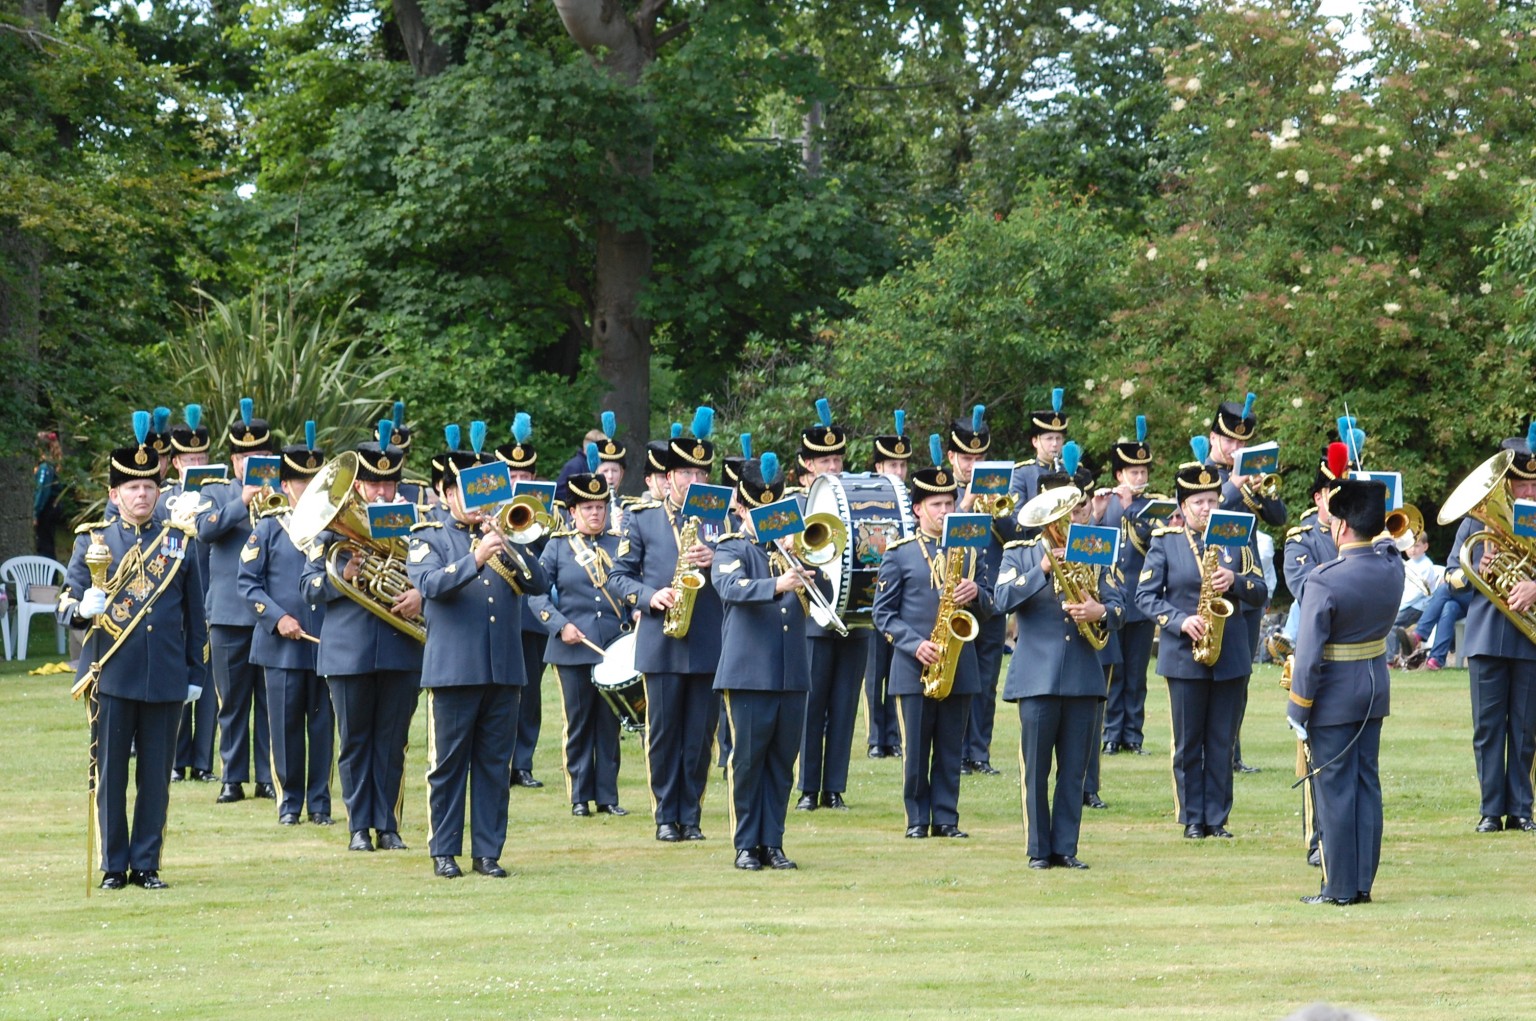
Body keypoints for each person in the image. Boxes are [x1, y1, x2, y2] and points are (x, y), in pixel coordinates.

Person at [59, 412, 207, 890]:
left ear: (158, 490)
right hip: (113, 674)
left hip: (164, 675)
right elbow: (65, 603)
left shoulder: (178, 543)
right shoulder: (92, 540)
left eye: (148, 487)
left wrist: (194, 674)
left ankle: (146, 864)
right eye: (131, 488)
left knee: (155, 781)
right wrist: (83, 606)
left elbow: (194, 614)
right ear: (114, 495)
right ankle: (112, 866)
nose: (142, 495)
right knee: (111, 779)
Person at [408, 428, 549, 879]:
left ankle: (488, 852)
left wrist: (507, 543)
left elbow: (539, 583)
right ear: (445, 493)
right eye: (462, 492)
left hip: (504, 669)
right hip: (453, 671)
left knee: (493, 765)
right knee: (447, 767)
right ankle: (444, 851)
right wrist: (477, 557)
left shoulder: (505, 532)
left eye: (480, 493)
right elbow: (430, 585)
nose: (472, 502)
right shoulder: (428, 536)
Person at [1135, 442, 1268, 839]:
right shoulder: (1165, 541)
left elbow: (1261, 589)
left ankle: (1217, 818)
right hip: (1184, 652)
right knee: (1189, 741)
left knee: (1222, 740)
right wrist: (1179, 621)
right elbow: (1145, 597)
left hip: (1229, 652)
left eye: (1212, 499)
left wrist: (1237, 582)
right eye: (1198, 502)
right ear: (1182, 505)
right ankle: (1192, 817)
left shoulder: (1237, 539)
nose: (1207, 508)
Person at [303, 423, 424, 853]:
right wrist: (342, 579)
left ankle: (388, 824)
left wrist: (419, 593)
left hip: (400, 648)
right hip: (348, 653)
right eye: (373, 484)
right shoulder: (331, 532)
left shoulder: (416, 527)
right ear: (357, 485)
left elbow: (434, 573)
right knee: (354, 742)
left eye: (388, 484)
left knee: (393, 742)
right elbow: (309, 589)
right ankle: (358, 826)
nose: (381, 493)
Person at [995, 467, 1124, 870]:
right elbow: (1000, 600)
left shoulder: (1095, 547)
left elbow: (1122, 604)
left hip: (1084, 674)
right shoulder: (1018, 552)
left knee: (1074, 770)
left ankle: (1066, 847)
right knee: (1035, 771)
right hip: (1036, 675)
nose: (1066, 521)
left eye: (1073, 511)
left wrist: (1099, 609)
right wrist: (1043, 571)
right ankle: (1038, 850)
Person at [608, 408, 725, 842]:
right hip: (661, 637)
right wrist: (650, 596)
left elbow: (739, 568)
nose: (693, 480)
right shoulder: (641, 518)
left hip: (707, 639)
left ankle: (690, 815)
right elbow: (618, 576)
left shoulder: (719, 518)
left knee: (699, 736)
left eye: (699, 472)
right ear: (668, 477)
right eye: (685, 473)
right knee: (663, 734)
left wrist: (719, 559)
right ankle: (664, 815)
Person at [872, 436, 994, 840]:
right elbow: (882, 614)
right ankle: (917, 818)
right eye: (937, 506)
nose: (945, 511)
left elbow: (994, 604)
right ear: (919, 508)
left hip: (959, 663)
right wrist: (914, 644)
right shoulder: (900, 552)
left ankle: (947, 817)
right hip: (915, 665)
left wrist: (977, 593)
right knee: (915, 752)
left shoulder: (972, 550)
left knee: (949, 747)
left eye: (949, 504)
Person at [1286, 474, 1401, 905]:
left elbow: (1310, 652)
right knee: (1366, 786)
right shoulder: (1391, 565)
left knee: (1334, 792)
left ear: (1342, 526)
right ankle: (1362, 884)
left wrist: (1298, 707)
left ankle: (1338, 888)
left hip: (1334, 695)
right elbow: (1389, 544)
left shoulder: (1325, 579)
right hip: (1374, 688)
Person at [713, 452, 811, 870]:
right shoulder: (731, 547)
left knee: (781, 763)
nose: (767, 519)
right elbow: (730, 587)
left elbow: (823, 592)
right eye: (759, 511)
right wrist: (778, 582)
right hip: (750, 671)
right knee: (748, 762)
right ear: (741, 507)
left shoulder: (794, 548)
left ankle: (773, 841)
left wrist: (802, 561)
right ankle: (745, 843)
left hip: (791, 672)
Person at [235, 424, 333, 826]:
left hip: (326, 641)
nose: (306, 487)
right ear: (286, 484)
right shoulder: (269, 527)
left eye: (313, 481)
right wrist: (278, 619)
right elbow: (247, 584)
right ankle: (289, 803)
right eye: (299, 481)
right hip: (282, 646)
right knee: (286, 727)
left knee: (323, 728)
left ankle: (321, 803)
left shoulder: (334, 528)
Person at [530, 445, 630, 818]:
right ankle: (578, 796)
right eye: (587, 508)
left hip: (612, 646)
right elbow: (536, 595)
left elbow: (630, 586)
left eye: (600, 508)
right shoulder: (557, 547)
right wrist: (560, 626)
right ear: (572, 512)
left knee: (609, 724)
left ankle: (607, 796)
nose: (595, 514)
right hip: (572, 646)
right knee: (578, 722)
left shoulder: (620, 544)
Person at [1448, 436, 1536, 833]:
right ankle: (1490, 810)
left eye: (1534, 485)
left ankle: (1521, 809)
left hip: (1528, 635)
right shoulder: (1476, 519)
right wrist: (1475, 572)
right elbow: (1450, 576)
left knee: (1524, 727)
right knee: (1487, 728)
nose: (1530, 491)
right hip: (1485, 634)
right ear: (1506, 484)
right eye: (1522, 485)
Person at [196, 398, 276, 804]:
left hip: (271, 613)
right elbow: (203, 531)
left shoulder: (282, 494)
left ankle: (266, 776)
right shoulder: (215, 491)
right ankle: (232, 775)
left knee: (268, 702)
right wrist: (242, 501)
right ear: (234, 459)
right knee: (231, 702)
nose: (254, 461)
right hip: (228, 613)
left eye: (261, 455)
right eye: (247, 456)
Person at [1204, 393, 1288, 774]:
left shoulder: (1249, 478)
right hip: (1213, 580)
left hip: (1248, 583)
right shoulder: (1200, 475)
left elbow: (1278, 516)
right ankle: (1211, 750)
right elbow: (1204, 513)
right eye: (1230, 441)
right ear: (1213, 438)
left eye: (1242, 443)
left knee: (1241, 673)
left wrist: (1262, 488)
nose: (1236, 448)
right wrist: (1235, 485)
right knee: (1211, 674)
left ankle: (1231, 753)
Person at [793, 398, 869, 813]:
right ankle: (808, 787)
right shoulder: (793, 502)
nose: (833, 467)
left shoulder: (857, 497)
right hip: (812, 616)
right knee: (812, 702)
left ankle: (834, 786)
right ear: (806, 463)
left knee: (844, 704)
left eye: (837, 458)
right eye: (823, 460)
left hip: (854, 614)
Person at [948, 404, 1023, 778]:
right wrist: (965, 503)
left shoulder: (999, 493)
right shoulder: (942, 490)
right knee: (957, 677)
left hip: (990, 595)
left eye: (979, 456)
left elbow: (1019, 537)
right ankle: (955, 752)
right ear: (952, 457)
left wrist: (1000, 512)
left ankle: (979, 752)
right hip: (953, 594)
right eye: (966, 457)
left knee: (986, 681)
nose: (972, 463)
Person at [1097, 415, 1161, 757]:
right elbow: (1094, 543)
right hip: (1110, 597)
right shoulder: (1104, 504)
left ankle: (1133, 734)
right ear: (1119, 475)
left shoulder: (1153, 507)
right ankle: (1111, 732)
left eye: (1143, 472)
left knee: (1136, 673)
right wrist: (1106, 509)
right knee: (1114, 670)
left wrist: (1129, 511)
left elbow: (1154, 542)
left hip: (1140, 598)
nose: (1139, 477)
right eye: (1133, 473)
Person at [161, 405, 219, 784]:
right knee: (177, 676)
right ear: (177, 461)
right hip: (174, 597)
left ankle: (203, 762)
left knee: (210, 686)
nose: (195, 462)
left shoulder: (218, 496)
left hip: (211, 596)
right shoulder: (163, 497)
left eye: (201, 457)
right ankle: (177, 760)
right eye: (189, 458)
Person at [498, 413, 551, 790]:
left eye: (525, 476)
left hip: (531, 617)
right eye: (513, 476)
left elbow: (547, 564)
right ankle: (499, 760)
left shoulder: (542, 515)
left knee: (529, 693)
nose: (519, 482)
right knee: (500, 692)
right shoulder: (487, 513)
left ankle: (524, 762)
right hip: (497, 615)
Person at [864, 410, 912, 758]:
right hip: (870, 589)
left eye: (902, 465)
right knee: (874, 669)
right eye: (892, 465)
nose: (898, 472)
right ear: (878, 467)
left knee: (897, 666)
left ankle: (893, 736)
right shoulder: (864, 493)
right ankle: (874, 736)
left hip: (903, 592)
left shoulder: (911, 501)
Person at [1008, 388, 1069, 505]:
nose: (1055, 444)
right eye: (1049, 438)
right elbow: (1017, 516)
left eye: (1058, 438)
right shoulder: (1022, 473)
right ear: (1035, 441)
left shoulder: (1072, 470)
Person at [1386, 532, 1438, 665]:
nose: (1412, 550)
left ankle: (1390, 660)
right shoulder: (1407, 564)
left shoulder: (1426, 566)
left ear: (1425, 547)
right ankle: (1396, 657)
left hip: (1418, 607)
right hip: (1407, 605)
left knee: (1392, 623)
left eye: (1417, 546)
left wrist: (1399, 606)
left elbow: (1417, 593)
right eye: (1410, 546)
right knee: (1388, 620)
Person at [34, 430, 64, 559]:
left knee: (45, 544)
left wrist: (35, 512)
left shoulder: (45, 468)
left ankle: (49, 577)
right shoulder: (53, 464)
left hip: (47, 508)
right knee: (48, 542)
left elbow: (42, 490)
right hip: (53, 506)